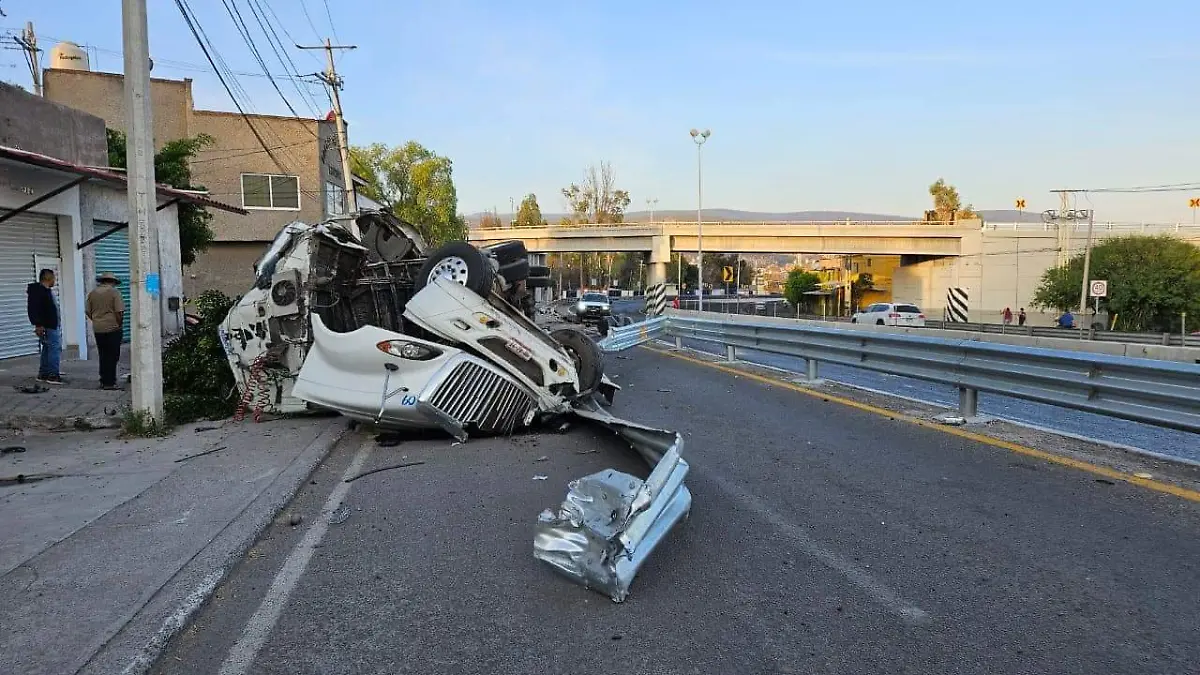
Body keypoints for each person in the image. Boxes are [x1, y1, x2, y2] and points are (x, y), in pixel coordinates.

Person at [86, 271, 126, 390]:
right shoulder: (114, 292)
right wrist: (119, 324)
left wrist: (96, 320)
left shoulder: (92, 293)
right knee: (112, 355)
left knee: (103, 354)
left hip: (98, 328)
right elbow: (119, 312)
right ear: (112, 282)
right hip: (112, 328)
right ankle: (110, 382)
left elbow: (88, 311)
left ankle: (103, 380)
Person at [27, 268, 63, 384]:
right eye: (54, 278)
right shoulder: (39, 292)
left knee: (47, 348)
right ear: (48, 278)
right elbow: (34, 309)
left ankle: (44, 373)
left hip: (50, 324)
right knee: (54, 348)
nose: (55, 280)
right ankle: (53, 375)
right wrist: (38, 324)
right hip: (48, 325)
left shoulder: (45, 291)